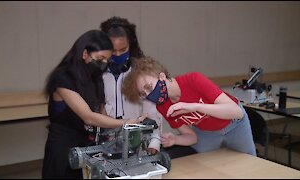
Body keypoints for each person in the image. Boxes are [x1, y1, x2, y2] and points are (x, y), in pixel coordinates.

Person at [42, 30, 145, 179]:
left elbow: (100, 113)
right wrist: (126, 123)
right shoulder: (63, 77)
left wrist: (117, 132)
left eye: (106, 60)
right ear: (85, 54)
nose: (104, 64)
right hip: (63, 146)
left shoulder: (95, 77)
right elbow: (89, 117)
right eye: (100, 58)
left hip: (86, 145)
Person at [122, 56, 257, 156]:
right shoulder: (162, 106)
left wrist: (194, 107)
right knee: (204, 168)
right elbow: (192, 137)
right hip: (206, 132)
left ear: (162, 77)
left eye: (148, 87)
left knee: (249, 165)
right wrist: (175, 139)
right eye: (143, 93)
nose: (148, 94)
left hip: (235, 125)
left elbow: (236, 112)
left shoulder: (194, 80)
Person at [100, 16, 162, 155]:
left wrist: (155, 141)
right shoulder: (98, 74)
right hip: (108, 139)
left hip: (138, 139)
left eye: (123, 50)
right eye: (113, 51)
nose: (117, 55)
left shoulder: (141, 74)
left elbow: (153, 110)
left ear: (131, 45)